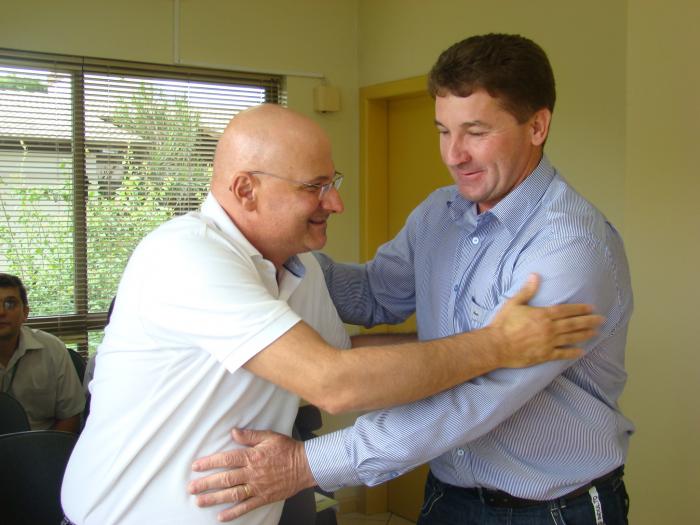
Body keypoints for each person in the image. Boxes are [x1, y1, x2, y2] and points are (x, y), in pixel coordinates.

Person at [60, 103, 600, 525]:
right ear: (246, 189)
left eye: (332, 182)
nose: (335, 203)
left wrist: (482, 340)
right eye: (314, 187)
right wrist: (497, 345)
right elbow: (333, 383)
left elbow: (344, 356)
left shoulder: (296, 267)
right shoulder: (184, 256)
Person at [188, 34, 634, 525]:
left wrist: (305, 464)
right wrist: (263, 248)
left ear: (537, 126)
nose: (454, 154)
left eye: (476, 132)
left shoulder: (570, 248)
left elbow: (472, 399)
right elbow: (375, 294)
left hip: (552, 509)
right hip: (450, 494)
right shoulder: (439, 214)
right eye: (444, 131)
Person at [0, 272, 85, 432]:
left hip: (42, 445)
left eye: (10, 304)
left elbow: (70, 415)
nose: (1, 312)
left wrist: (45, 451)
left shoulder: (52, 349)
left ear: (25, 313)